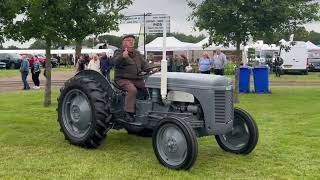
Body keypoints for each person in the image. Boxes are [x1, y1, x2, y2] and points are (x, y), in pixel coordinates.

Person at [112, 34, 151, 124]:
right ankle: (128, 113)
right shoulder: (119, 52)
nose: (131, 42)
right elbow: (114, 62)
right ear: (124, 42)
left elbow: (145, 64)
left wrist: (152, 69)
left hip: (137, 79)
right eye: (129, 40)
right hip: (122, 79)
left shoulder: (137, 53)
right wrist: (123, 57)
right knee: (132, 90)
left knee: (149, 87)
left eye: (133, 40)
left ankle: (146, 109)